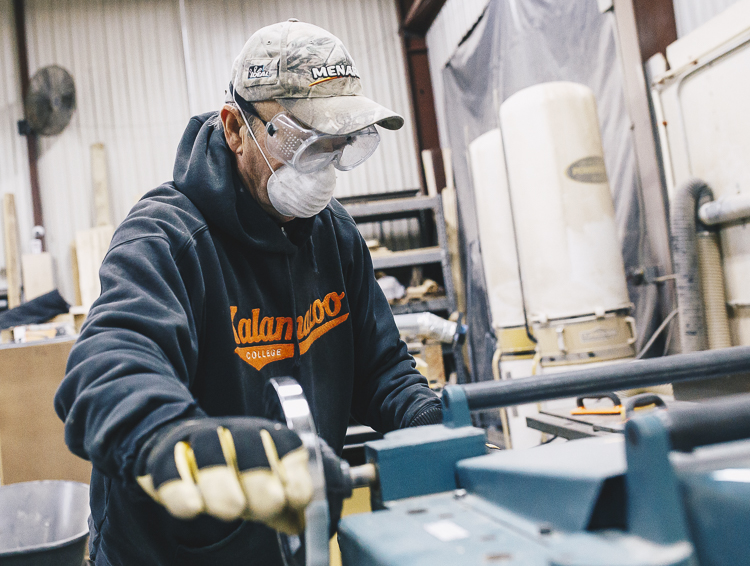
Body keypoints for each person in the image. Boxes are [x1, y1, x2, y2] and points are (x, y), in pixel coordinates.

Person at [54, 18, 442, 566]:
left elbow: (380, 370)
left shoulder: (336, 236)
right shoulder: (166, 237)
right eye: (306, 143)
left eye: (338, 147)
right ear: (236, 129)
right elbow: (108, 364)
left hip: (297, 539)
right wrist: (173, 438)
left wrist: (429, 420)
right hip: (175, 552)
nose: (324, 170)